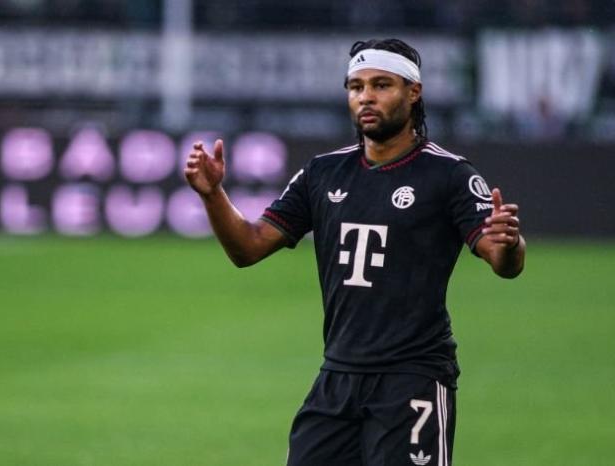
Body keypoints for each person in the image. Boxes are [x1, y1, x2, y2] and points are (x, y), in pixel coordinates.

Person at [184, 38, 525, 466]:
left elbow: (502, 260)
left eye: (381, 85)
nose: (366, 96)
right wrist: (213, 195)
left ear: (413, 92)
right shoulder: (323, 172)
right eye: (356, 86)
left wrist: (510, 243)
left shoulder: (449, 174)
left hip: (412, 377)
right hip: (337, 377)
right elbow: (247, 248)